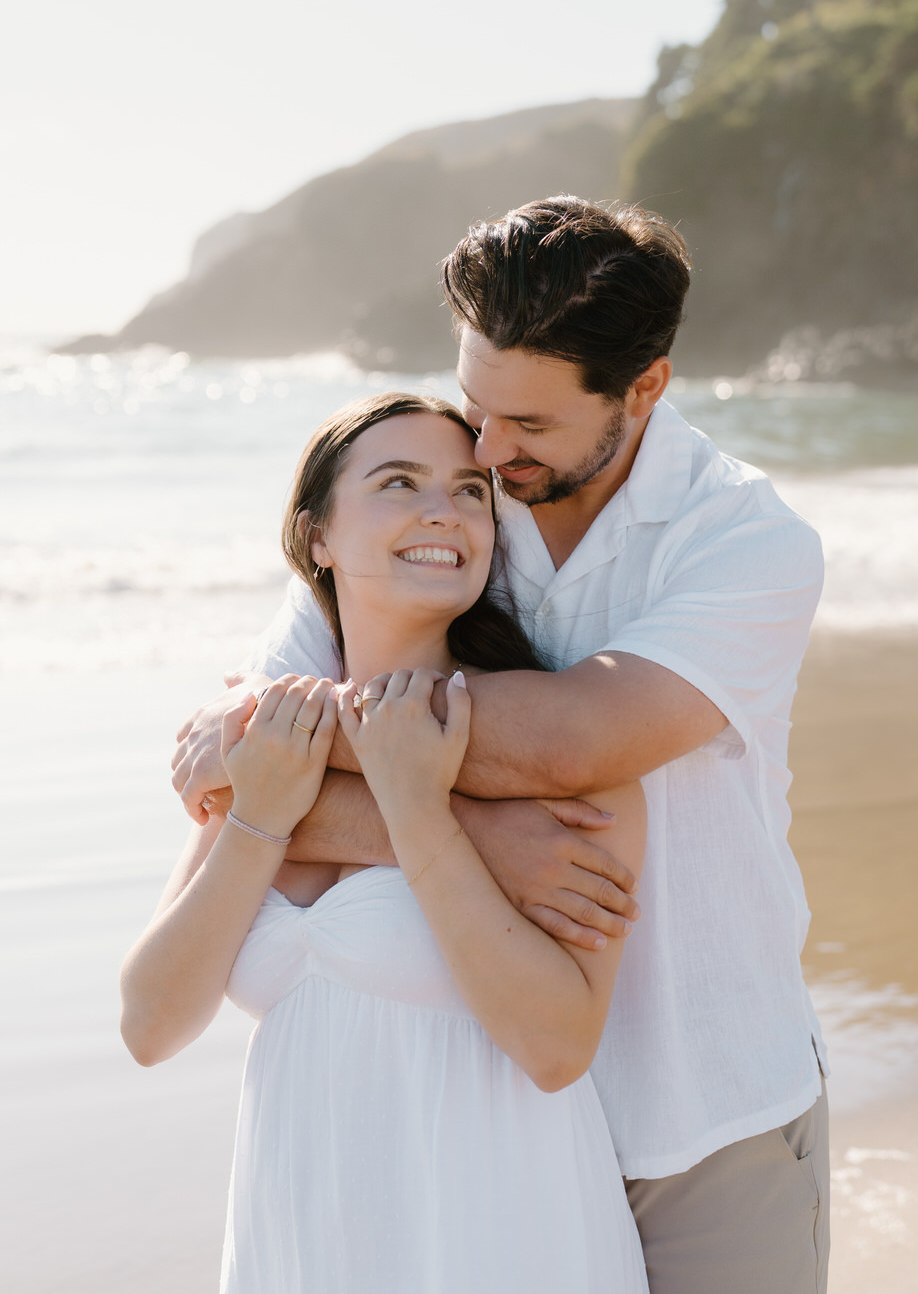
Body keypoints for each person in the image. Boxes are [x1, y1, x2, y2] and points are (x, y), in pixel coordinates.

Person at [173, 196, 830, 1294]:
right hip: (483, 1111)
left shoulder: (745, 541)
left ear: (644, 389)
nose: (485, 448)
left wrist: (398, 799)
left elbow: (576, 743)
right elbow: (251, 753)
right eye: (476, 404)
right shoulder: (449, 500)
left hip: (699, 1110)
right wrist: (485, 839)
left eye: (527, 424)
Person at [122, 393, 649, 1293]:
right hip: (303, 1246)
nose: (444, 509)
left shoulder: (557, 760)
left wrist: (418, 810)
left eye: (470, 491)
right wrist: (259, 819)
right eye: (399, 482)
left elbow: (557, 1048)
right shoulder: (269, 743)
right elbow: (150, 1026)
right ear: (317, 536)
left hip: (495, 1245)